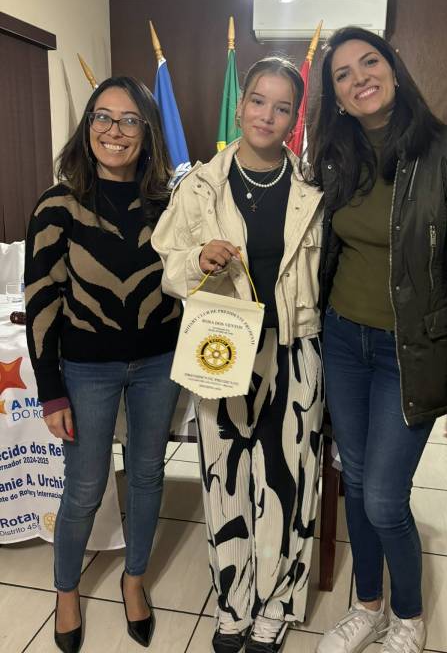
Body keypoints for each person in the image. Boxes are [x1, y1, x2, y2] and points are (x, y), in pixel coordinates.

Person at [308, 27, 447, 653]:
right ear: (336, 95)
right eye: (342, 74)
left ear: (393, 68)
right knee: (358, 485)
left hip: (407, 353)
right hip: (343, 342)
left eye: (370, 62)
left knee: (385, 498)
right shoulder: (335, 156)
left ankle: (408, 616)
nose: (359, 77)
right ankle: (367, 605)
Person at [152, 56, 324, 653]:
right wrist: (196, 260)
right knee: (225, 477)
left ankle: (274, 604)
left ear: (294, 118)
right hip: (223, 347)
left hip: (295, 349)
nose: (267, 115)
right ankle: (232, 602)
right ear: (240, 105)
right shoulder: (199, 185)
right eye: (257, 100)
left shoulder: (314, 190)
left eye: (282, 107)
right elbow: (168, 261)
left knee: (286, 479)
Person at [25, 76, 183, 652]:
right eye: (103, 117)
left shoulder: (170, 204)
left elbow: (189, 274)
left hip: (158, 364)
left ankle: (134, 579)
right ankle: (66, 589)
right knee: (86, 486)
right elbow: (41, 301)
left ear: (148, 132)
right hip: (86, 370)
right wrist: (51, 391)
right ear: (87, 125)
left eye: (129, 120)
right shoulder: (57, 205)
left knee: (147, 476)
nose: (115, 131)